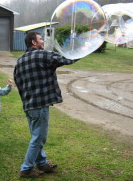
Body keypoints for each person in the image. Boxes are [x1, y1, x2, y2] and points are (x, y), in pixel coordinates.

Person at [14, 32, 79, 178]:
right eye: (40, 38)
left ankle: (42, 163)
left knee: (36, 136)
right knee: (38, 138)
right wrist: (84, 49)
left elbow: (19, 83)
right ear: (34, 43)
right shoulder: (42, 55)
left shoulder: (20, 60)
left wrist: (26, 102)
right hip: (40, 106)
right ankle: (26, 169)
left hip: (29, 106)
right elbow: (68, 59)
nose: (43, 41)